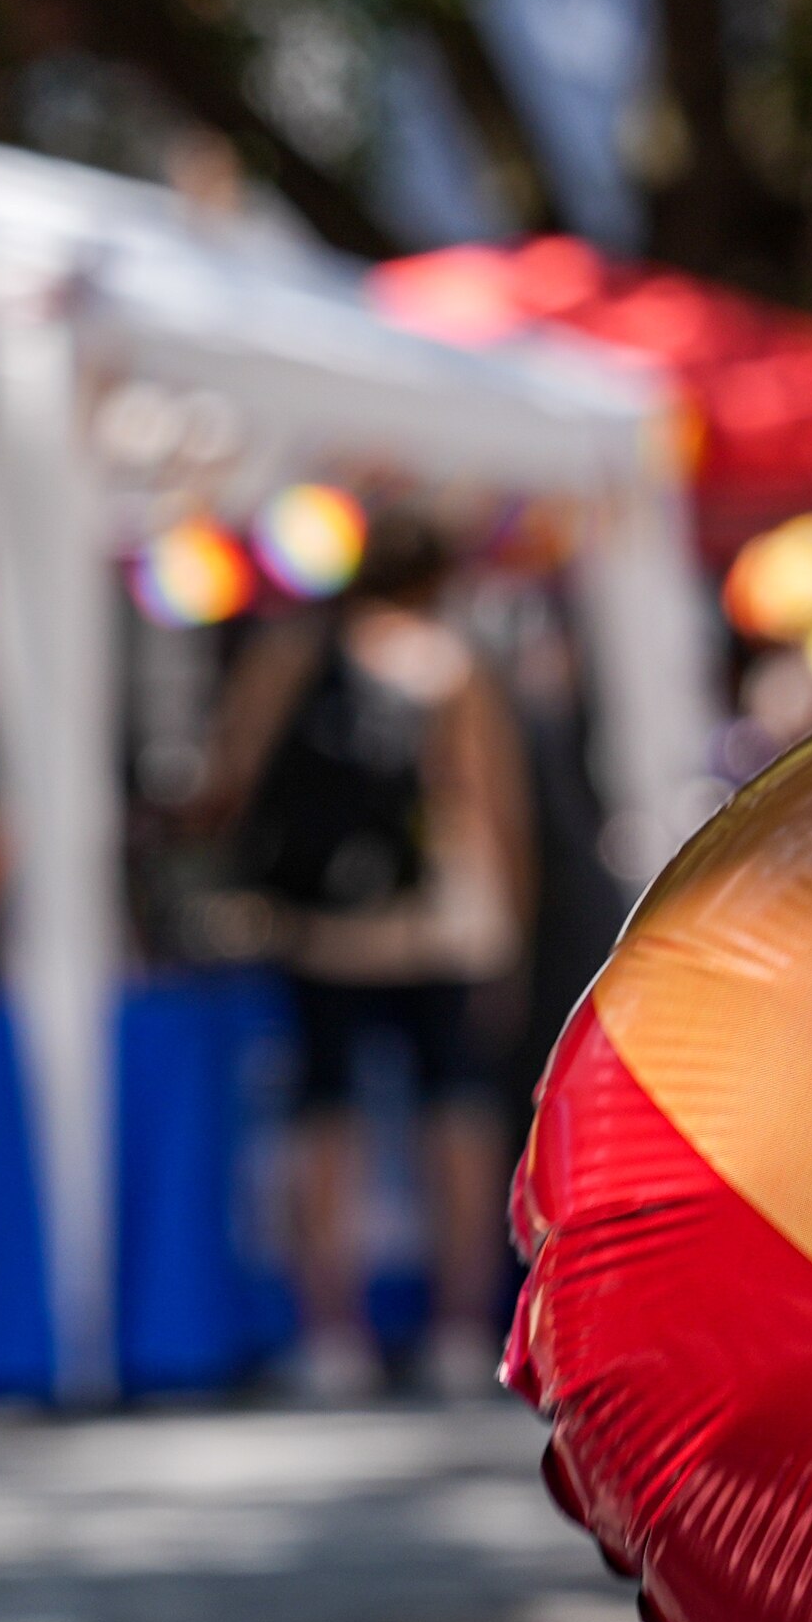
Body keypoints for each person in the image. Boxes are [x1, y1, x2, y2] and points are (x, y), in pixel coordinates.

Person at [190, 512, 531, 1399]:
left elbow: (229, 779)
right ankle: (461, 1326)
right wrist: (516, 927)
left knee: (322, 1118)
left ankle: (329, 1329)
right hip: (443, 927)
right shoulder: (451, 660)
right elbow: (491, 804)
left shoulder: (291, 654)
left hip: (320, 927)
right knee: (455, 1113)